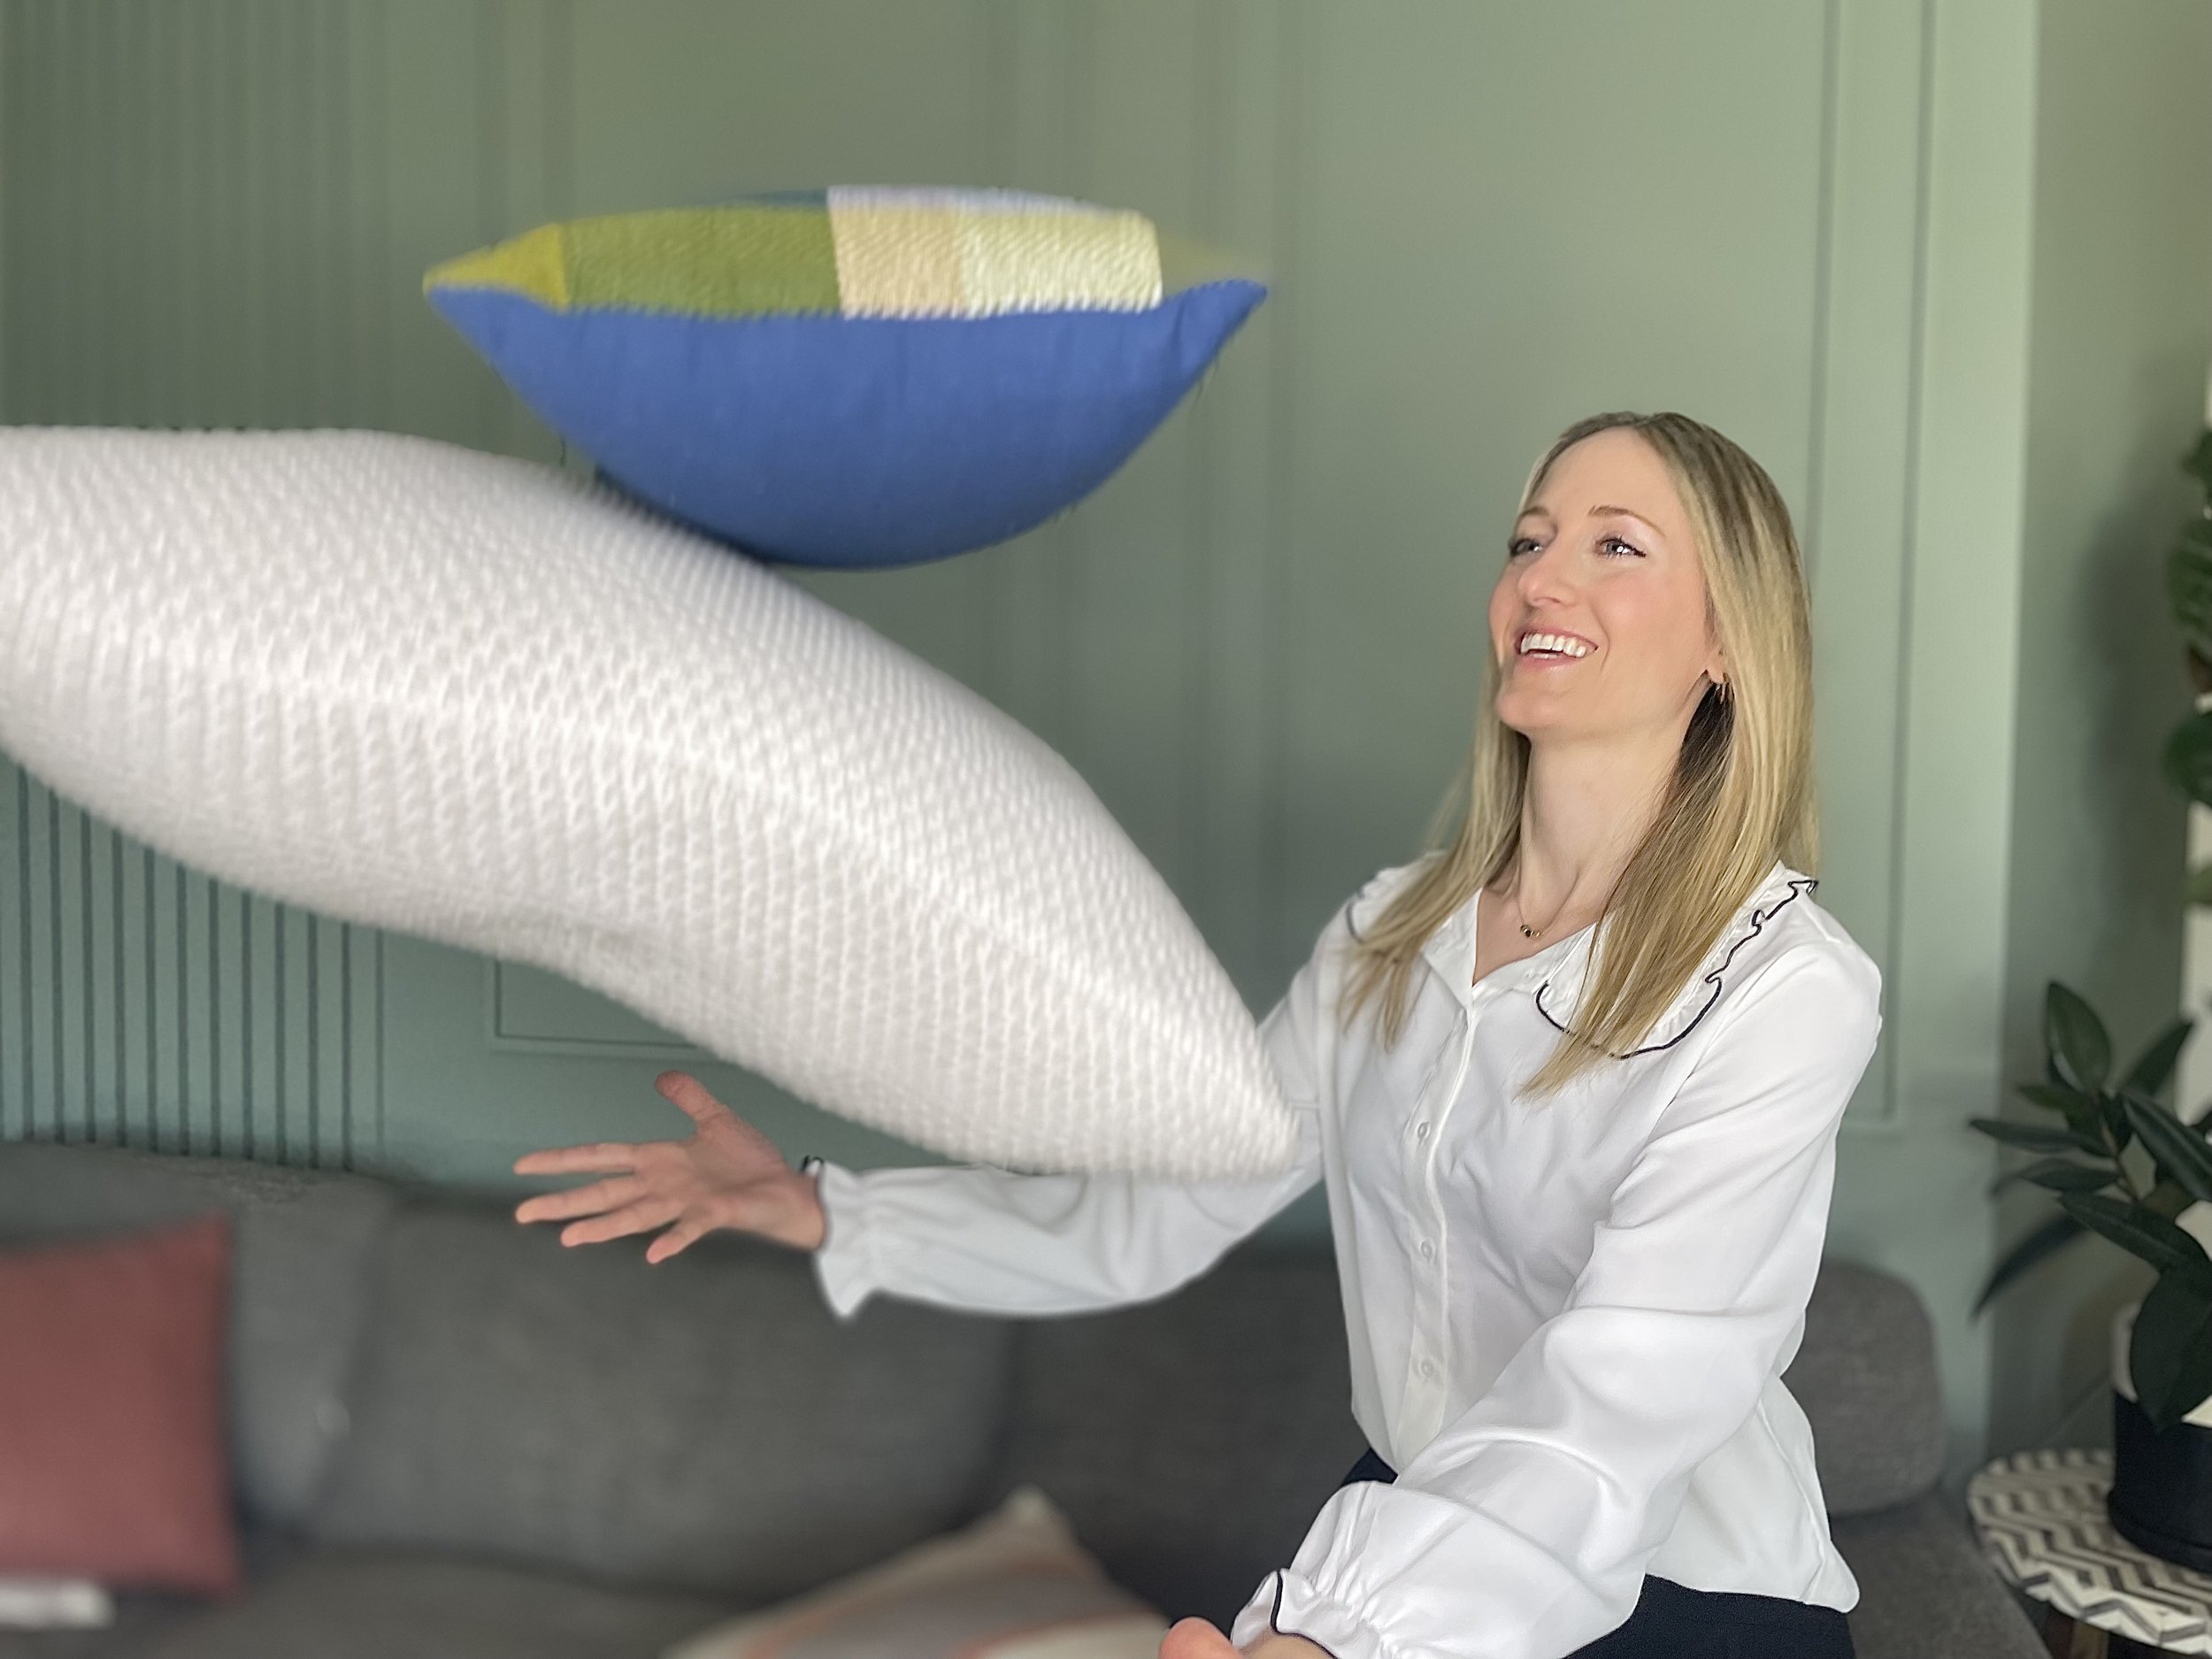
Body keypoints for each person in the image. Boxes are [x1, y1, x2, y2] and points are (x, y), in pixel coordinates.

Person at [511, 410, 1881, 1659]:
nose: (1543, 579)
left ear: (1725, 644)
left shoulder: (1783, 989)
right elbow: (1165, 1209)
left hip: (1694, 1599)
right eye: (1529, 541)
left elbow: (1627, 1392)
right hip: (1413, 1526)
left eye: (1614, 544)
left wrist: (1335, 1638)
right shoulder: (1389, 939)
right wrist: (836, 1216)